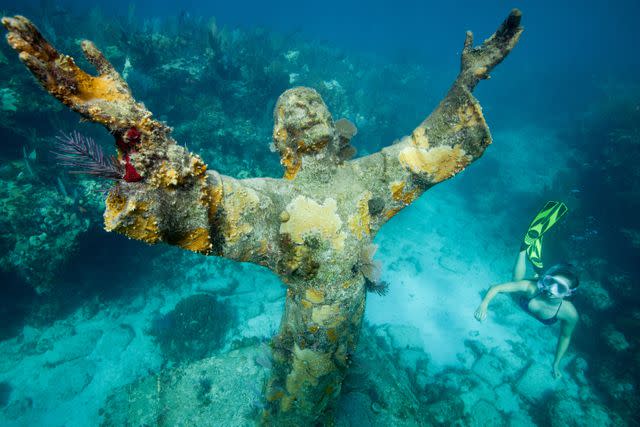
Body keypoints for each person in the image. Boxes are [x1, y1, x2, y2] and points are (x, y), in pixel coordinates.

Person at [474, 201, 579, 378]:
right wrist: (484, 305)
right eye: (550, 282)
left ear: (568, 294)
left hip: (534, 288)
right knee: (517, 284)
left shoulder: (569, 314)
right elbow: (496, 288)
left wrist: (556, 364)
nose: (551, 290)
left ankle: (538, 268)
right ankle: (523, 250)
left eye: (559, 288)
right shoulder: (531, 288)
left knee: (526, 283)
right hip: (530, 289)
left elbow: (565, 337)